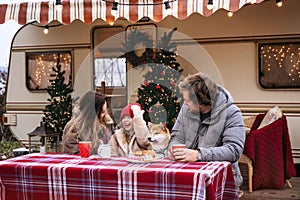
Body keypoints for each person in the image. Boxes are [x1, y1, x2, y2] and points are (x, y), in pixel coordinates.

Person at [168, 72, 245, 194]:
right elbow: (176, 137)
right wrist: (173, 148)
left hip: (221, 182)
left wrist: (199, 155)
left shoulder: (232, 113)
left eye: (188, 100)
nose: (185, 103)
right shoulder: (185, 109)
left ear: (201, 100)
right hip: (188, 176)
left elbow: (234, 150)